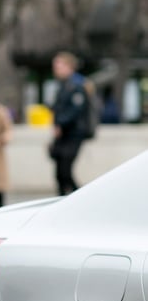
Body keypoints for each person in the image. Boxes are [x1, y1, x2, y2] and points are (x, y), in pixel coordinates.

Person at [50, 51, 89, 196]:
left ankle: (81, 199)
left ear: (69, 67)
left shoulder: (76, 86)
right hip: (63, 135)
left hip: (73, 134)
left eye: (59, 66)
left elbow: (75, 110)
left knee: (65, 172)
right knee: (60, 174)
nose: (56, 69)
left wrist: (60, 124)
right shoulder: (63, 86)